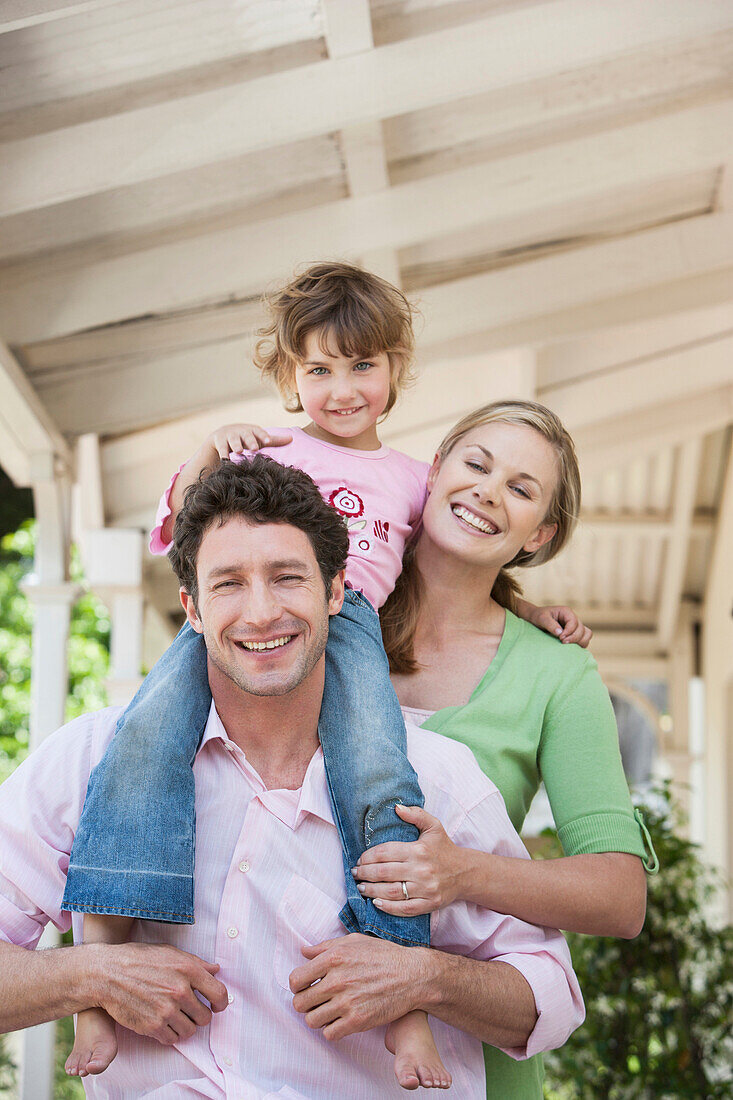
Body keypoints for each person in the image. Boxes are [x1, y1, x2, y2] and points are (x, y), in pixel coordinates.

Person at [62, 263, 586, 1087]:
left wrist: (531, 615)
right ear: (287, 376)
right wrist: (205, 451)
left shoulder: (414, 479)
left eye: (361, 367)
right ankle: (97, 970)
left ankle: (404, 1006)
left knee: (379, 780)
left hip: (346, 639)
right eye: (318, 370)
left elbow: (456, 551)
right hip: (230, 636)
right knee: (141, 747)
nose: (340, 390)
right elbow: (188, 538)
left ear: (395, 372)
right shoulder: (270, 450)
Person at [0, 456, 584, 1099]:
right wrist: (91, 976)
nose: (261, 613)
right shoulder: (91, 760)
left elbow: (550, 996)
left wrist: (425, 978)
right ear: (191, 607)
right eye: (228, 584)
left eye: (287, 578)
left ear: (335, 593)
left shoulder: (435, 778)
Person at [348, 400, 659, 1097]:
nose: (488, 491)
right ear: (432, 471)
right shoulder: (331, 611)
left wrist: (461, 874)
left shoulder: (555, 671)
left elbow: (619, 896)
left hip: (468, 1047)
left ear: (538, 534)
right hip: (299, 1028)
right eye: (475, 464)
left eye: (520, 489)